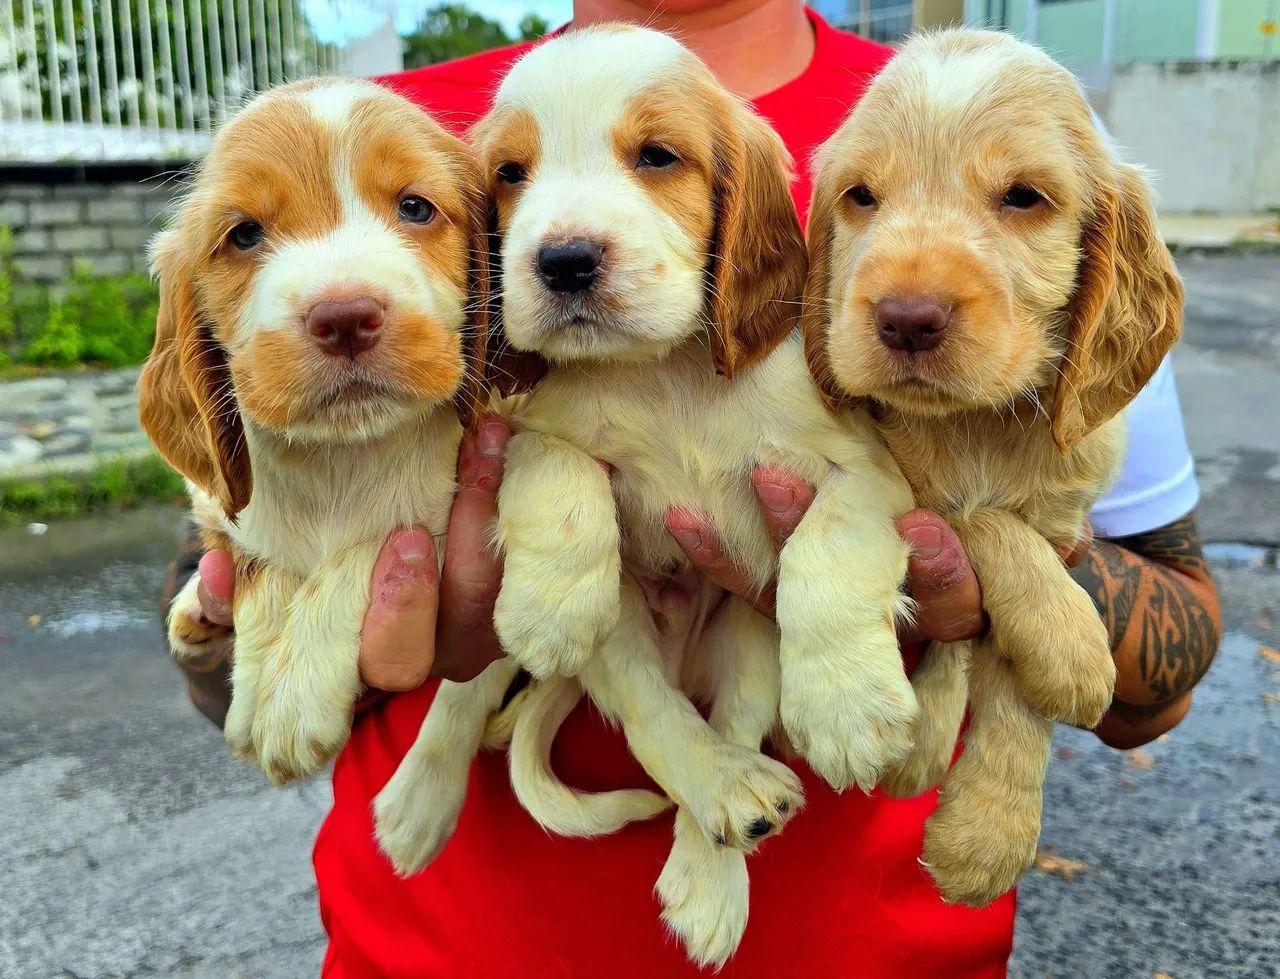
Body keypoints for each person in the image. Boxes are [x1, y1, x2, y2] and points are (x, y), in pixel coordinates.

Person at [166, 2, 1222, 975]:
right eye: (517, 180)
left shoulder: (981, 109)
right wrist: (259, 621)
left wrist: (997, 580)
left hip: (880, 949)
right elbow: (241, 604)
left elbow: (1157, 677)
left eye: (657, 159)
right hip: (428, 946)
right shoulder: (404, 148)